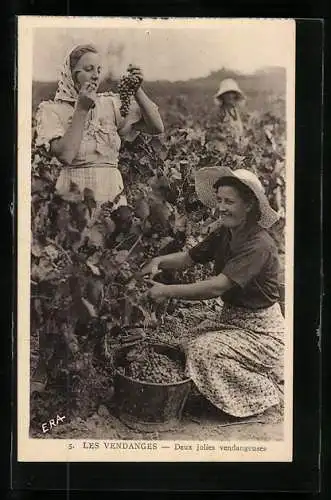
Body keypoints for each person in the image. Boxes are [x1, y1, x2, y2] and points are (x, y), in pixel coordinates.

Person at [139, 166, 284, 418]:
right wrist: (158, 261)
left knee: (202, 351)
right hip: (233, 320)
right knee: (185, 344)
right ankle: (236, 380)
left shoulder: (259, 245)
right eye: (219, 200)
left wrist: (168, 291)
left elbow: (218, 286)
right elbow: (188, 258)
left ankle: (263, 392)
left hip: (263, 333)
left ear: (249, 205)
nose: (222, 207)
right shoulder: (226, 233)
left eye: (230, 202)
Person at [34, 44, 164, 213]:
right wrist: (81, 109)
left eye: (98, 69)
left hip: (111, 194)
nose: (96, 76)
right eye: (89, 69)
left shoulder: (109, 104)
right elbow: (66, 155)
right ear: (71, 75)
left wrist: (137, 89)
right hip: (74, 197)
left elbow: (156, 126)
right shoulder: (51, 111)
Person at [214, 78, 246, 147]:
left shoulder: (235, 110)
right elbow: (215, 133)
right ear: (222, 96)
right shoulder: (220, 112)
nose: (230, 96)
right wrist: (227, 139)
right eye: (227, 94)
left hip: (238, 145)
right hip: (224, 146)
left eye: (232, 93)